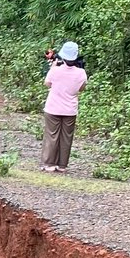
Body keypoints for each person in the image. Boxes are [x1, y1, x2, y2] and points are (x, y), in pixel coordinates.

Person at [40, 41, 87, 172]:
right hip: (70, 110)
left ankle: (49, 163)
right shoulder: (81, 73)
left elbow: (47, 84)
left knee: (52, 135)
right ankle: (62, 165)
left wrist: (53, 66)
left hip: (53, 107)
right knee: (66, 137)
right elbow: (82, 88)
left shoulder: (55, 70)